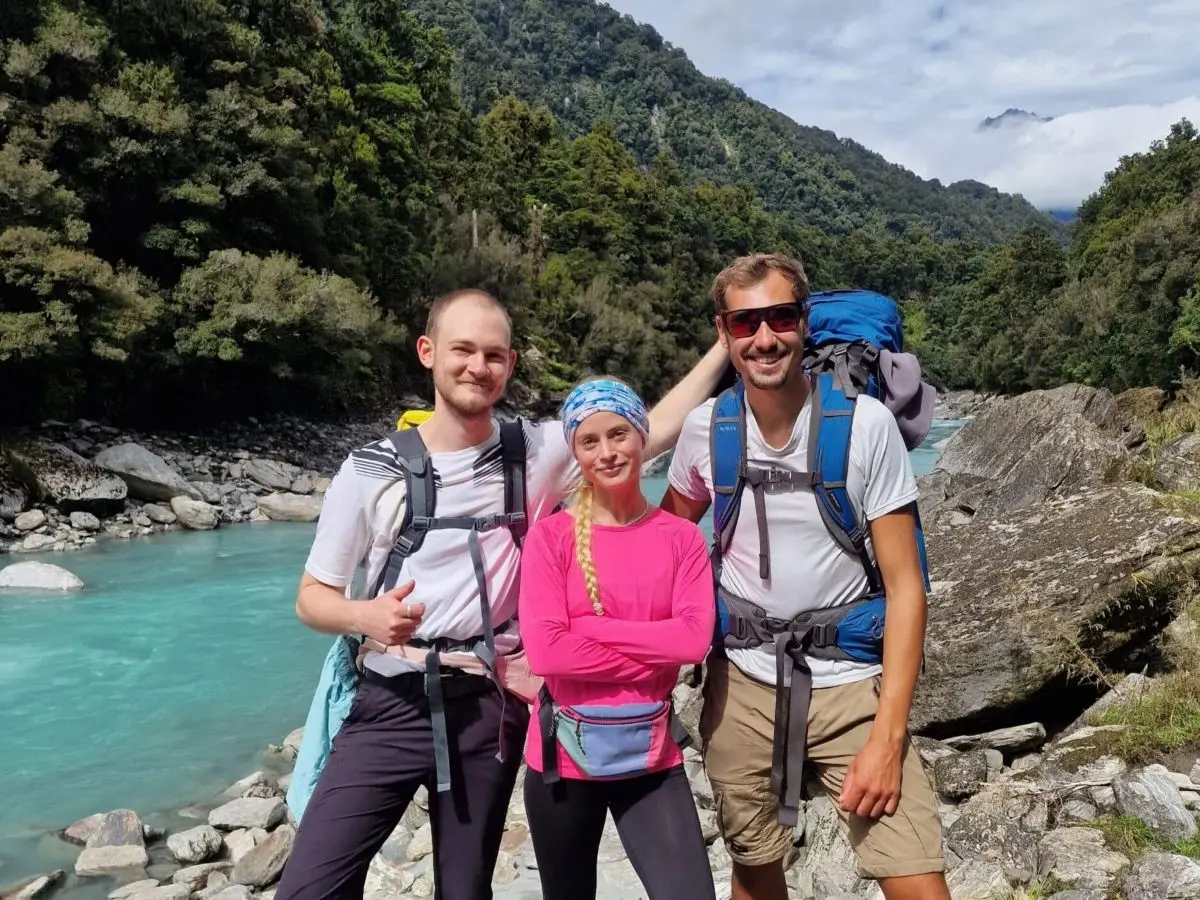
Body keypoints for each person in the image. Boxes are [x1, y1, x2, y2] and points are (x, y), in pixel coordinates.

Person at [274, 287, 729, 900]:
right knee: (310, 887)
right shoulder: (370, 470)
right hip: (389, 698)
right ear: (428, 352)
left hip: (486, 708)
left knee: (463, 891)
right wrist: (364, 614)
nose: (477, 366)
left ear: (510, 365)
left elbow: (648, 429)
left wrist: (722, 349)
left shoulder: (534, 451)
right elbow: (311, 599)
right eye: (462, 350)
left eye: (493, 354)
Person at [660, 254, 950, 900]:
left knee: (917, 882)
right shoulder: (707, 430)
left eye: (780, 317)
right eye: (746, 323)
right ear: (725, 332)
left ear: (804, 323)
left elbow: (906, 588)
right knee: (756, 870)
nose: (764, 338)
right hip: (742, 686)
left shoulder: (865, 427)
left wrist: (889, 735)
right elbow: (666, 545)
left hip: (850, 688)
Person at [516, 377, 718, 900]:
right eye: (590, 441)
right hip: (562, 763)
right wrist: (654, 651)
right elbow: (544, 653)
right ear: (576, 451)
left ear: (643, 437)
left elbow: (694, 642)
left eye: (619, 434)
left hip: (651, 761)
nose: (607, 452)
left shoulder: (681, 537)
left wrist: (591, 629)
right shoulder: (550, 537)